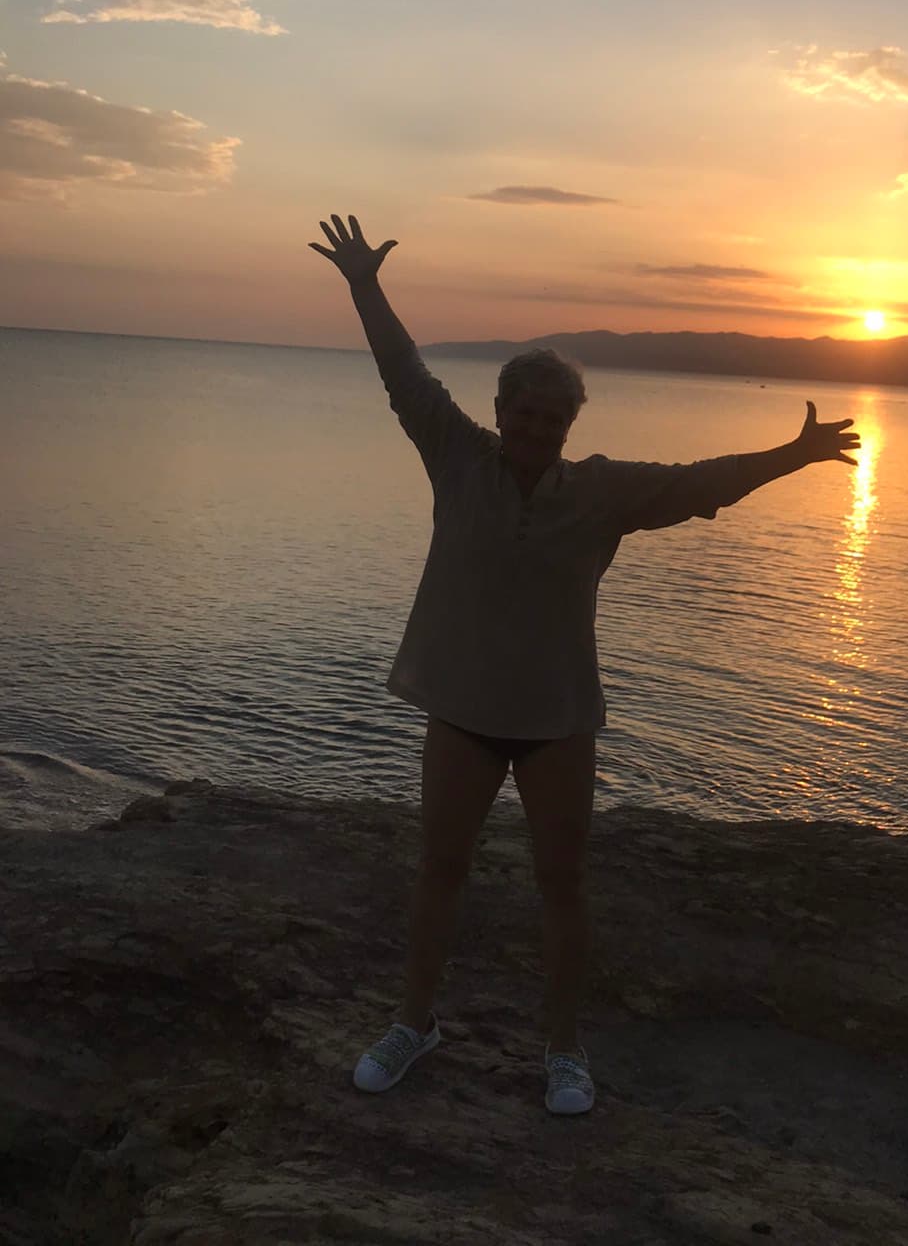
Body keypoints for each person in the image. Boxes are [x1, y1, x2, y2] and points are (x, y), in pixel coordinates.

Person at [309, 213, 860, 1116]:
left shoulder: (600, 491)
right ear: (500, 412)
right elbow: (404, 375)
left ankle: (564, 1048)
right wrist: (365, 285)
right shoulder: (456, 455)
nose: (538, 430)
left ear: (570, 425)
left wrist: (792, 456)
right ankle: (415, 1021)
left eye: (554, 419)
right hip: (460, 708)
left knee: (562, 884)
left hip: (559, 718)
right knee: (437, 871)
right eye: (526, 414)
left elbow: (698, 480)